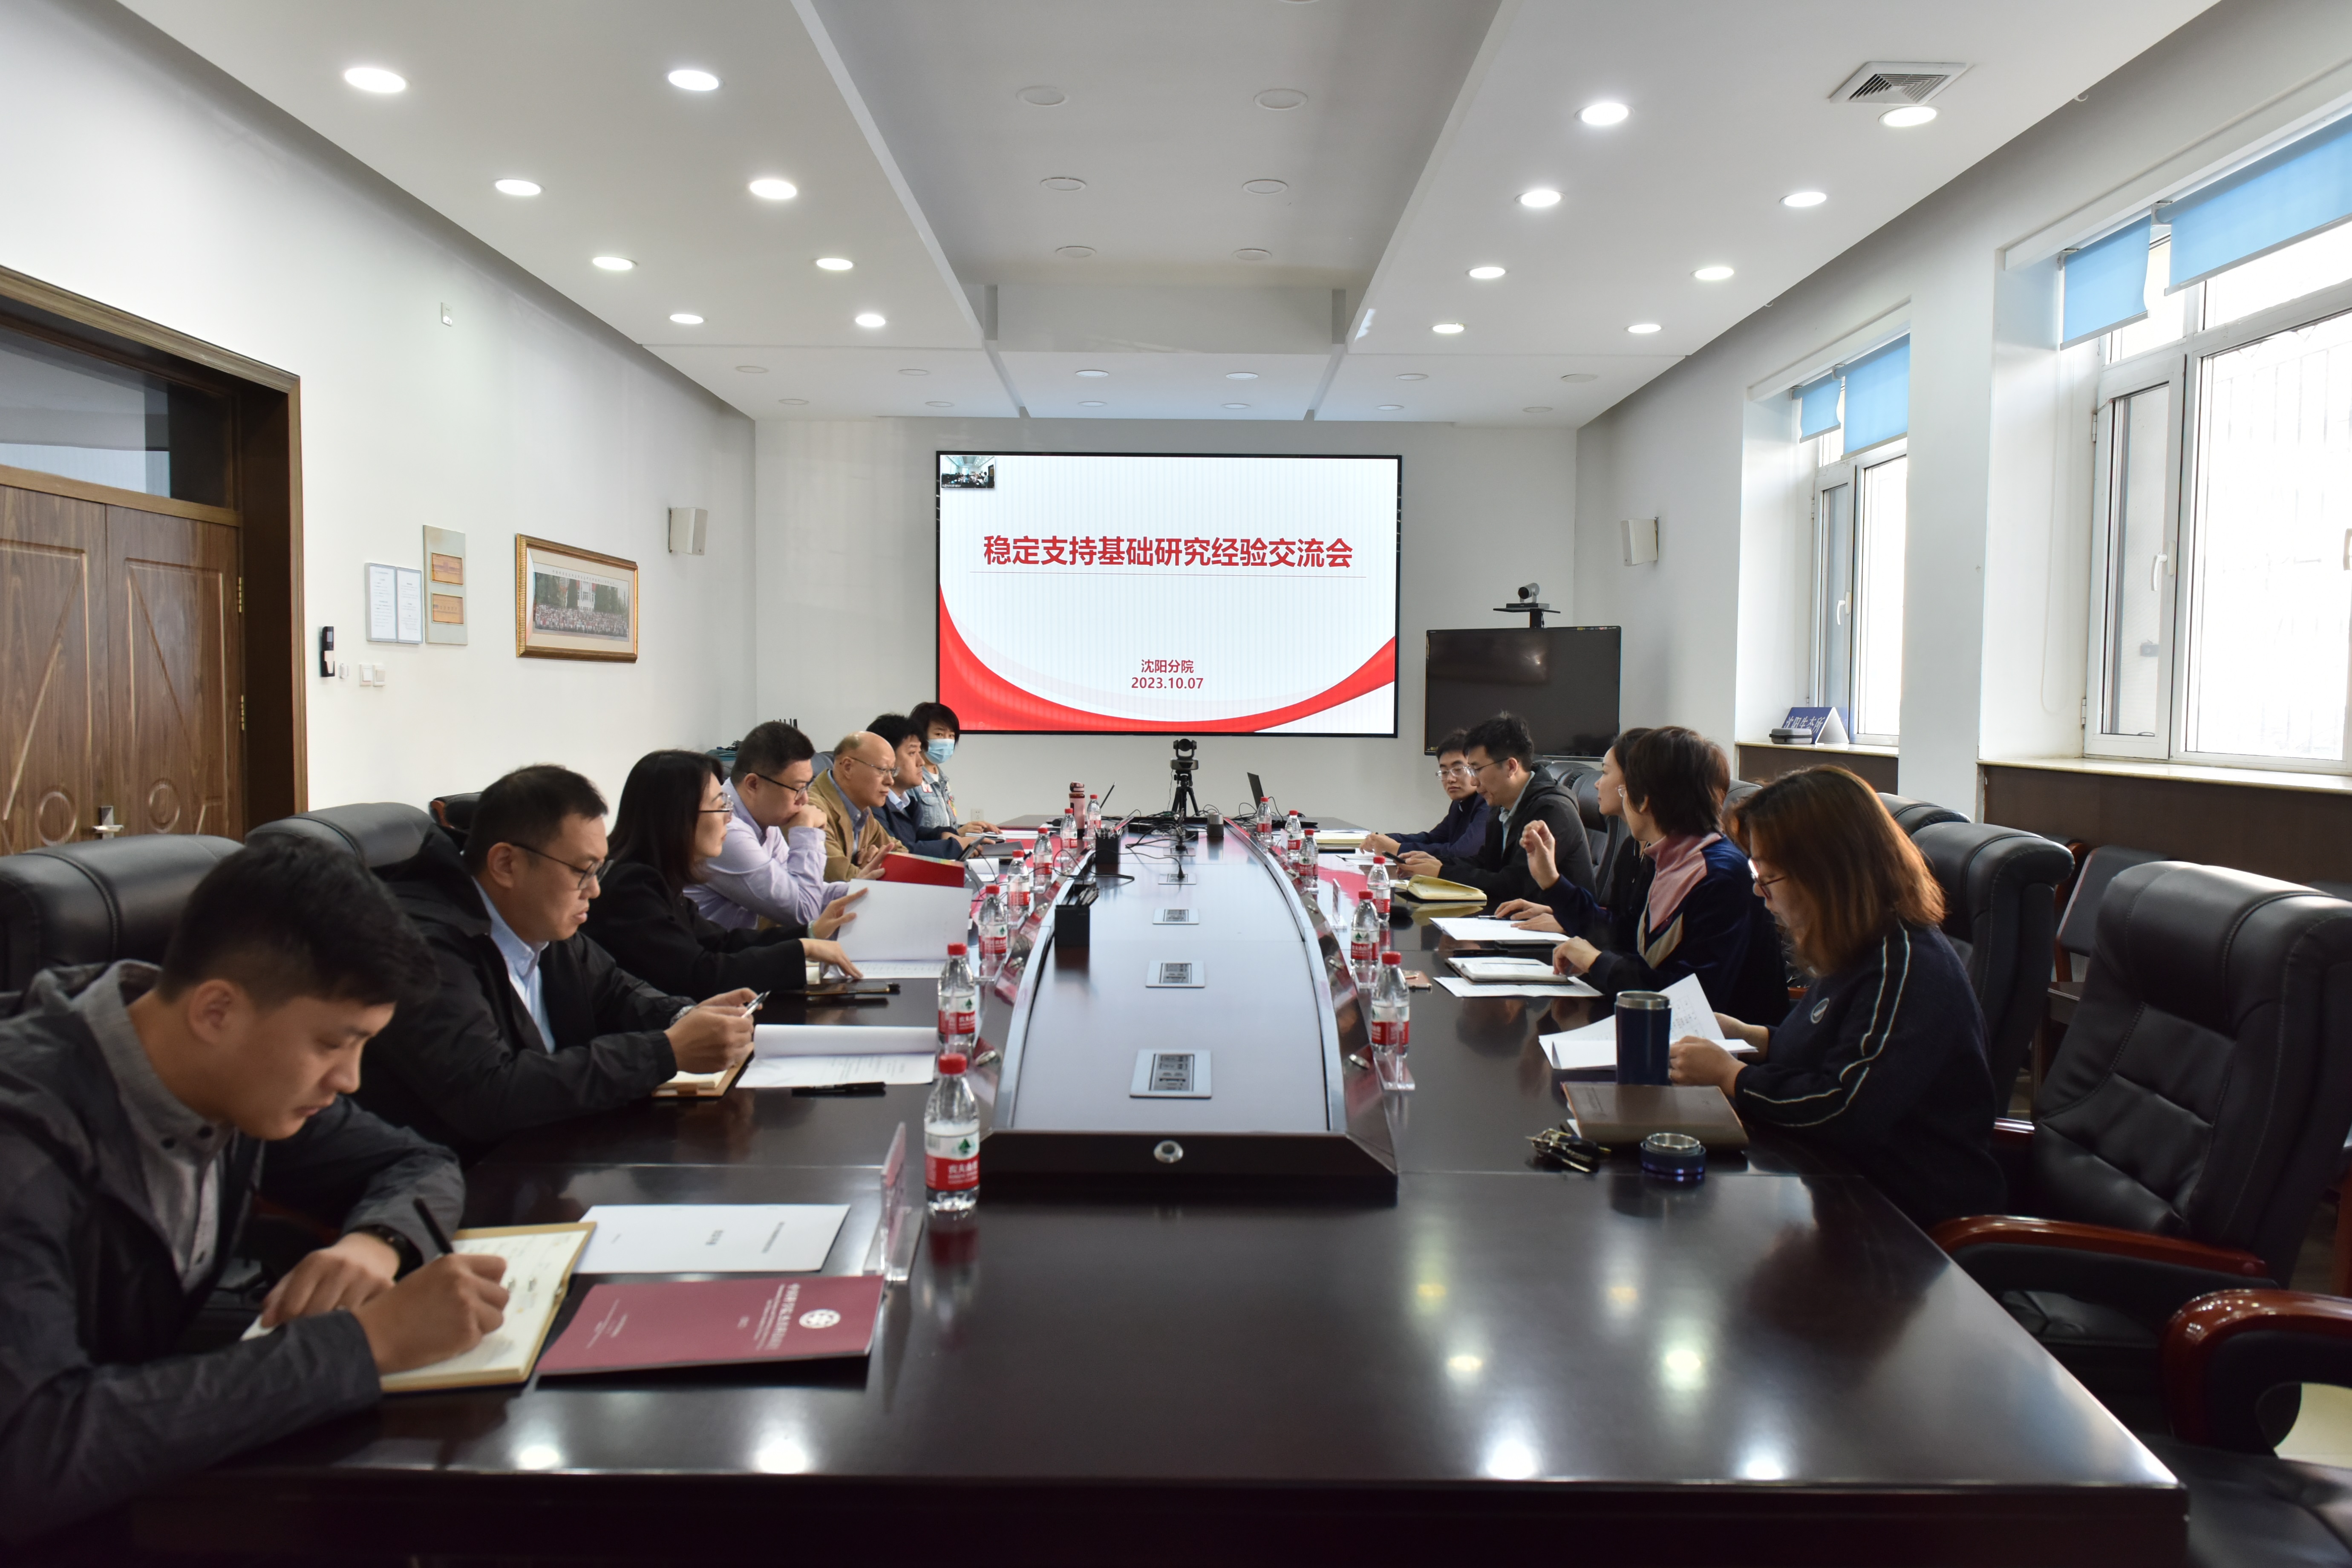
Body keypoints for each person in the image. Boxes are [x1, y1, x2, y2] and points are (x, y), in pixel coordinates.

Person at [0, 838, 512, 1542]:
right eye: (333, 1043)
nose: (350, 1080)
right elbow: (31, 1451)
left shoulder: (224, 1071)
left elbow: (417, 1161)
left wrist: (377, 1242)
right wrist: (364, 1344)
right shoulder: (22, 1141)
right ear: (217, 1011)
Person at [359, 764, 756, 1162]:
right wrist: (664, 1051)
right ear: (506, 864)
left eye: (599, 870)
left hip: (552, 1154)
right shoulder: (423, 945)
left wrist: (686, 1017)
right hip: (469, 1176)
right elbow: (488, 1093)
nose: (595, 890)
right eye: (583, 871)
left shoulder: (538, 921)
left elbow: (615, 993)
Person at [1666, 766, 2004, 1228]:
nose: (1758, 891)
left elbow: (1845, 1107)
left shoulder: (1902, 967)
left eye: (1768, 875)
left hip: (1902, 1217)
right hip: (1834, 1182)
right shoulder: (1859, 944)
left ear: (1826, 874)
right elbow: (1831, 1048)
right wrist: (1754, 1036)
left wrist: (1732, 1075)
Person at [1505, 726, 1784, 1025]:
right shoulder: (1665, 857)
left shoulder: (1722, 875)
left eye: (1626, 791)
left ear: (1645, 800)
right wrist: (1552, 881)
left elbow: (1693, 999)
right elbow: (1623, 935)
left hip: (1722, 1046)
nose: (1624, 798)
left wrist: (1596, 961)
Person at [587, 750, 867, 1000]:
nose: (728, 817)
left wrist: (809, 935)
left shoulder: (656, 878)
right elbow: (701, 975)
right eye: (720, 805)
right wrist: (800, 951)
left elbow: (721, 943)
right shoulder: (631, 888)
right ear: (678, 816)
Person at [686, 720, 867, 931]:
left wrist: (862, 891)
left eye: (807, 787)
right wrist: (807, 833)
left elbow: (800, 890)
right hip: (711, 950)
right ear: (754, 784)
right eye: (798, 789)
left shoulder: (765, 818)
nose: (805, 799)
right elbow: (803, 913)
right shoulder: (727, 832)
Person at [1399, 712, 1594, 904]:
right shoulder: (1501, 805)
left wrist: (1442, 872)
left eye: (1477, 769)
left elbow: (1516, 885)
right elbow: (1485, 862)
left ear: (1511, 767)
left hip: (1557, 922)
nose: (1474, 781)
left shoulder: (1552, 811)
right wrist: (1437, 863)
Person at [1362, 730, 1490, 861]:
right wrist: (1385, 839)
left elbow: (1463, 853)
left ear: (1475, 768)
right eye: (1444, 772)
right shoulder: (1460, 804)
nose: (1450, 779)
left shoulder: (1487, 803)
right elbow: (1433, 839)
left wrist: (1398, 849)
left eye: (1458, 770)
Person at [812, 731, 905, 882]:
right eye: (883, 770)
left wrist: (878, 861)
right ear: (848, 767)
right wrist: (870, 869)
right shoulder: (813, 810)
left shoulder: (861, 809)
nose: (890, 781)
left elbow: (902, 853)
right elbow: (840, 879)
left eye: (892, 771)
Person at [908, 700, 996, 839]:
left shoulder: (943, 780)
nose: (947, 741)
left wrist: (970, 830)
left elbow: (946, 827)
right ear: (920, 736)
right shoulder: (910, 780)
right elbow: (910, 835)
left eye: (951, 736)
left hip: (947, 850)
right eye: (939, 734)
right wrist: (957, 834)